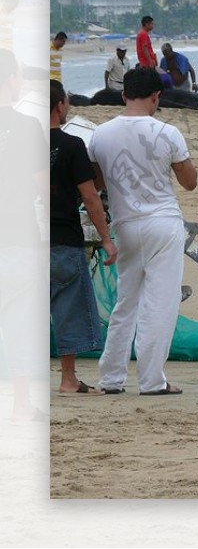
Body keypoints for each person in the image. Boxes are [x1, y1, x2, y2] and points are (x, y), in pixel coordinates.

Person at [88, 67, 197, 395]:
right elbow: (189, 182)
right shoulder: (168, 132)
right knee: (160, 302)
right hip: (162, 222)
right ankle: (152, 380)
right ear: (156, 96)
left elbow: (96, 182)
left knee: (127, 302)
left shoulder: (101, 134)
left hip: (125, 223)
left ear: (123, 95)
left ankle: (111, 377)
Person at [49, 79, 118, 396]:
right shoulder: (71, 145)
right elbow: (90, 197)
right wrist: (106, 238)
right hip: (61, 237)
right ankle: (68, 379)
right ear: (60, 106)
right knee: (69, 309)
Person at [1, 48, 49, 420]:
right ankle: (18, 404)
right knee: (17, 321)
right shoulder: (26, 126)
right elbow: (42, 186)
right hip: (17, 235)